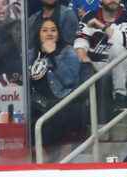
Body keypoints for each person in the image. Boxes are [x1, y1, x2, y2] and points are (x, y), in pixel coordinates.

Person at [74, 0, 127, 112]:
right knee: (80, 57)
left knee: (116, 48)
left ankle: (120, 97)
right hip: (96, 68)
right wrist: (83, 57)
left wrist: (101, 26)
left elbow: (126, 41)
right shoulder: (90, 15)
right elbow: (80, 40)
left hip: (122, 71)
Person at [28, 17, 83, 161]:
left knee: (68, 113)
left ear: (58, 33)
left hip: (61, 102)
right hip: (37, 104)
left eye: (53, 30)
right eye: (44, 30)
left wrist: (53, 55)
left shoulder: (68, 52)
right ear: (38, 33)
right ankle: (44, 162)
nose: (49, 34)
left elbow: (70, 80)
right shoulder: (30, 54)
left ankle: (62, 160)